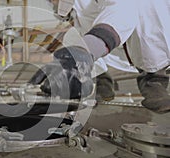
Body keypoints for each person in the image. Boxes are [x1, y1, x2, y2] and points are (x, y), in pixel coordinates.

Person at [29, 0, 170, 113]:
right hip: (123, 45)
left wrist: (82, 52)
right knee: (76, 39)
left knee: (146, 6)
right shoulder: (76, 8)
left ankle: (154, 78)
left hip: (153, 30)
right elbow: (83, 31)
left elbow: (123, 11)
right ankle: (102, 82)